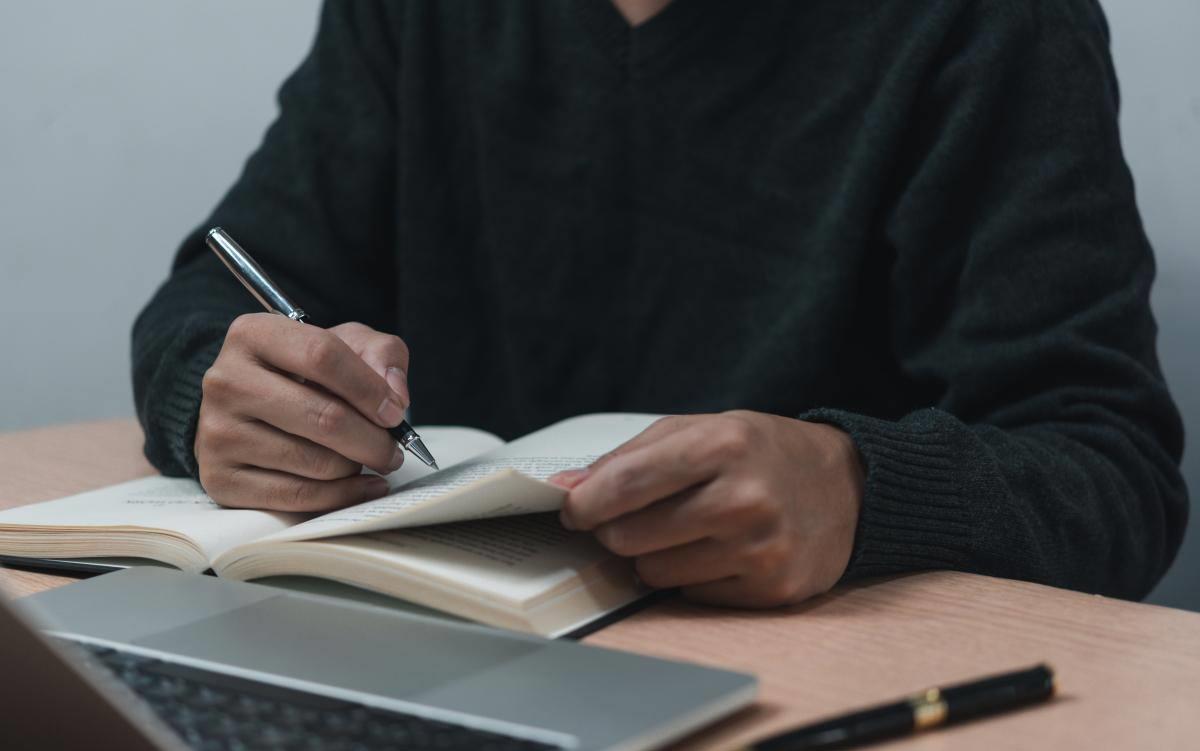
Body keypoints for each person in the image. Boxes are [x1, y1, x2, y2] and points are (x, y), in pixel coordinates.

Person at [132, 0, 1187, 608]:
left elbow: (1112, 472)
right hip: (431, 646)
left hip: (810, 687)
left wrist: (863, 492)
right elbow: (215, 293)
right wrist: (216, 394)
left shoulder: (986, 24)